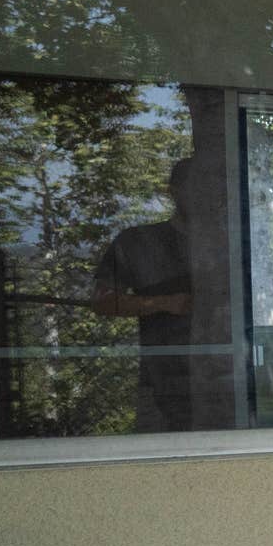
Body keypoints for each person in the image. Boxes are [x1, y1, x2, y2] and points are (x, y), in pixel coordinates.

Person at [88, 157, 206, 433]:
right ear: (174, 191)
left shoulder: (235, 244)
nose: (204, 194)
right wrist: (163, 302)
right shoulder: (138, 242)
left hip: (226, 387)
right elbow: (102, 301)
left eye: (211, 187)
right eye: (196, 186)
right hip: (160, 386)